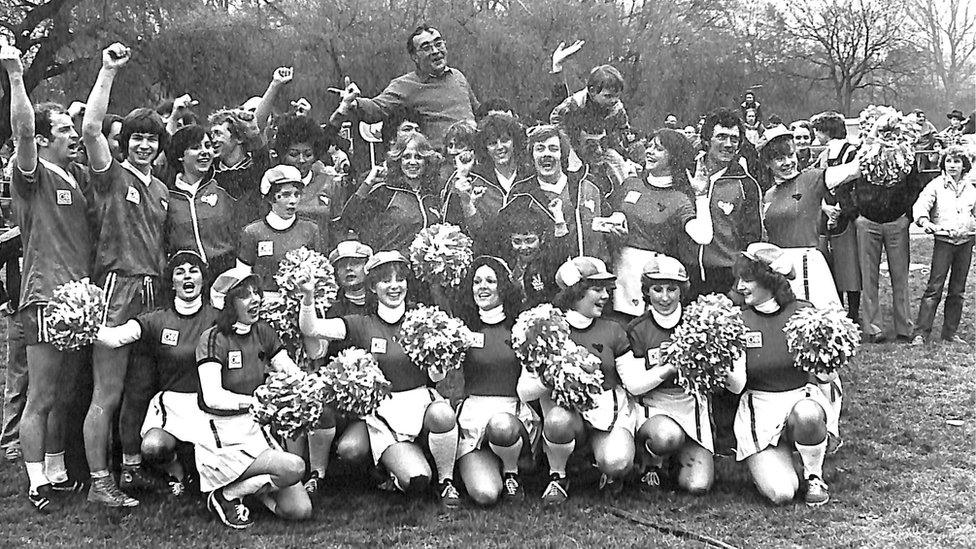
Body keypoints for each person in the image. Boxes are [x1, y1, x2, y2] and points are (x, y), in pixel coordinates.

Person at [297, 251, 462, 509]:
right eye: (385, 280)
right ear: (373, 286)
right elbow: (311, 329)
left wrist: (438, 359)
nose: (394, 286)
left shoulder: (423, 320)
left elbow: (437, 377)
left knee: (443, 414)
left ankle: (446, 480)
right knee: (415, 481)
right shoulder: (361, 324)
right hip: (383, 414)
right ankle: (391, 469)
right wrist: (307, 297)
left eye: (399, 279)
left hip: (421, 406)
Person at [4, 41, 93, 513]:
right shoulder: (31, 173)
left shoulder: (75, 175)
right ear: (40, 139)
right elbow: (21, 128)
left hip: (80, 299)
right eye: (62, 129)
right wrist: (16, 77)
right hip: (44, 295)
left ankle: (57, 471)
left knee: (65, 393)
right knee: (40, 394)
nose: (72, 134)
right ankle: (36, 480)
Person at [81, 43, 170, 506]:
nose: (144, 144)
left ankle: (131, 468)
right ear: (125, 141)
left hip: (151, 292)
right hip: (118, 287)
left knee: (139, 388)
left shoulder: (159, 187)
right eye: (137, 137)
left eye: (152, 139)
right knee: (108, 391)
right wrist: (108, 71)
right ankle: (99, 482)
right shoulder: (112, 174)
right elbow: (91, 127)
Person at [195, 267, 312, 529]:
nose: (255, 299)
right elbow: (213, 397)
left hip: (255, 428)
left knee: (299, 510)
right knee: (294, 467)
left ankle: (243, 491)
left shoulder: (263, 332)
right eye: (245, 295)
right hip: (222, 434)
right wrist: (257, 402)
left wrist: (312, 388)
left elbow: (291, 372)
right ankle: (225, 495)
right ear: (228, 303)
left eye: (256, 292)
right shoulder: (212, 338)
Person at [95, 251, 218, 497]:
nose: (187, 277)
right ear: (172, 283)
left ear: (203, 279)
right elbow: (114, 337)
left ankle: (200, 473)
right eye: (179, 272)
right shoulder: (157, 320)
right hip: (171, 409)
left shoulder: (218, 318)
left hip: (208, 407)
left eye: (193, 271)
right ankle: (177, 472)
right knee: (153, 447)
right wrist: (83, 324)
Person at [518, 257, 638, 504]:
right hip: (566, 414)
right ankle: (558, 475)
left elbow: (632, 380)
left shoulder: (613, 329)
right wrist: (554, 375)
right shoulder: (547, 329)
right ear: (575, 292)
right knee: (558, 420)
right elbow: (524, 390)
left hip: (606, 411)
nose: (605, 296)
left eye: (606, 289)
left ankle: (602, 468)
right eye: (597, 289)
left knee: (618, 463)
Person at [726, 243, 835, 507]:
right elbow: (737, 386)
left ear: (770, 280)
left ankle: (814, 474)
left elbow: (825, 377)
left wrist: (824, 358)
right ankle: (777, 459)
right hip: (759, 407)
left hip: (800, 398)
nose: (740, 286)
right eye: (739, 278)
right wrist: (721, 360)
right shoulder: (737, 320)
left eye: (748, 279)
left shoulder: (803, 312)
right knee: (781, 493)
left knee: (808, 414)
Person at [624, 255, 713, 494]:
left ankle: (675, 461)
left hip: (690, 403)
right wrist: (668, 370)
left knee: (698, 486)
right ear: (647, 291)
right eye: (657, 289)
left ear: (682, 291)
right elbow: (634, 386)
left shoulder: (698, 322)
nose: (665, 297)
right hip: (656, 404)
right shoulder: (637, 328)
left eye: (672, 289)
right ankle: (650, 461)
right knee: (666, 437)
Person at [453, 256, 539, 505]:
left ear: (503, 287)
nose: (483, 286)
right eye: (477, 281)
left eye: (490, 281)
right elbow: (438, 375)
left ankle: (513, 472)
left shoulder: (521, 327)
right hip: (473, 417)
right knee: (485, 494)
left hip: (509, 417)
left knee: (501, 425)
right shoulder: (462, 328)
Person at [612, 129, 712, 317]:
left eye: (658, 149)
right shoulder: (630, 184)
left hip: (650, 280)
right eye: (649, 146)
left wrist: (701, 195)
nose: (649, 151)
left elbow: (704, 236)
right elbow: (615, 215)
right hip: (619, 274)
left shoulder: (679, 198)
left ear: (673, 156)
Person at [333, 24, 479, 150]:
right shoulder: (405, 85)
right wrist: (353, 103)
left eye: (439, 43)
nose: (435, 51)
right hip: (442, 161)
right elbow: (376, 109)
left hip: (475, 154)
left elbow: (478, 111)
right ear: (414, 57)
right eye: (426, 47)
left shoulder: (458, 76)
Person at [850, 110, 927, 343]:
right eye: (881, 131)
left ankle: (904, 327)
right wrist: (855, 215)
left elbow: (916, 188)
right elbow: (844, 187)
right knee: (868, 278)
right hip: (867, 222)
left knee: (900, 276)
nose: (886, 136)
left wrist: (908, 217)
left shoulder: (906, 157)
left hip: (897, 223)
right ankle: (874, 329)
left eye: (890, 132)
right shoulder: (860, 156)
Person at [508, 125, 610, 262]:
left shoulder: (588, 184)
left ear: (562, 153)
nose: (546, 154)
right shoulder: (520, 195)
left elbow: (609, 225)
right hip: (547, 279)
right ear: (531, 156)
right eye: (540, 149)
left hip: (594, 276)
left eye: (553, 149)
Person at [690, 108, 763, 297]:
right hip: (686, 273)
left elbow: (752, 238)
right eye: (721, 137)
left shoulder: (746, 184)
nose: (728, 144)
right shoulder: (686, 175)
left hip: (726, 276)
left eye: (734, 139)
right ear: (706, 141)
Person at [210, 67, 292, 227]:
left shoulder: (257, 167)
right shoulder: (209, 170)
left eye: (218, 134)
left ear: (239, 138)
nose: (212, 140)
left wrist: (275, 85)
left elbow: (255, 128)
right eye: (212, 134)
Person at [911, 147, 975, 345]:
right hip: (944, 242)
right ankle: (921, 333)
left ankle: (950, 332)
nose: (952, 165)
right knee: (934, 287)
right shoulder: (936, 186)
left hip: (965, 242)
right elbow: (921, 205)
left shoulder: (971, 188)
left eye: (957, 162)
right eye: (949, 161)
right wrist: (925, 222)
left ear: (964, 165)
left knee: (958, 290)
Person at [340, 132, 444, 254]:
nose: (412, 162)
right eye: (406, 157)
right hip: (393, 268)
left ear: (426, 161)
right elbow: (348, 219)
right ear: (398, 160)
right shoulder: (384, 192)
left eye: (418, 157)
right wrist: (367, 183)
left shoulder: (432, 194)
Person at [164, 124, 239, 276]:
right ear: (180, 155)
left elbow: (260, 159)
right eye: (196, 147)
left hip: (225, 275)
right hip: (188, 278)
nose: (205, 152)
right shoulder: (166, 193)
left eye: (208, 146)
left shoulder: (225, 184)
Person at [237, 165, 322, 295]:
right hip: (265, 303)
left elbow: (318, 272)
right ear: (271, 198)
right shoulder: (252, 232)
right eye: (286, 195)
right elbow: (243, 275)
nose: (293, 200)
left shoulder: (311, 229)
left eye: (297, 194)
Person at [441, 113, 527, 239]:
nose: (499, 147)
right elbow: (454, 224)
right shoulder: (476, 179)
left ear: (515, 142)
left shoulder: (528, 176)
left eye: (504, 140)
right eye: (492, 143)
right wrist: (462, 175)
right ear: (485, 148)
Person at [811, 111, 861, 321]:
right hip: (826, 214)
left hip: (846, 215)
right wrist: (825, 207)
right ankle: (836, 309)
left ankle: (853, 312)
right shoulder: (823, 155)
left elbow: (854, 184)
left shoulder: (852, 152)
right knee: (830, 264)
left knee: (849, 265)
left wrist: (840, 208)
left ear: (825, 132)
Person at [272, 114, 345, 248]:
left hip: (320, 262)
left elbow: (337, 229)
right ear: (283, 154)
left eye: (308, 154)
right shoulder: (273, 185)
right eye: (293, 154)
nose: (301, 160)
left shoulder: (329, 183)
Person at [550, 64, 630, 154]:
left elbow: (623, 129)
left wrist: (620, 146)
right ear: (592, 91)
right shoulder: (575, 104)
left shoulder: (617, 109)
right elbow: (556, 118)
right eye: (608, 96)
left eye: (617, 96)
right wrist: (566, 145)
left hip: (601, 148)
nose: (614, 100)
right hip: (576, 146)